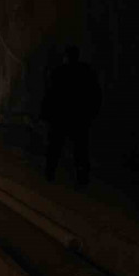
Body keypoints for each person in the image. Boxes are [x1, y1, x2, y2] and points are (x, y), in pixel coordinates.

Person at [42, 46, 100, 186]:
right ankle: (82, 180)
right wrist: (92, 113)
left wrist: (45, 115)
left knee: (55, 148)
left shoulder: (59, 72)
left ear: (65, 57)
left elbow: (50, 95)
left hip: (61, 117)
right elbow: (95, 94)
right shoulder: (85, 72)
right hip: (79, 118)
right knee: (80, 150)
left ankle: (49, 176)